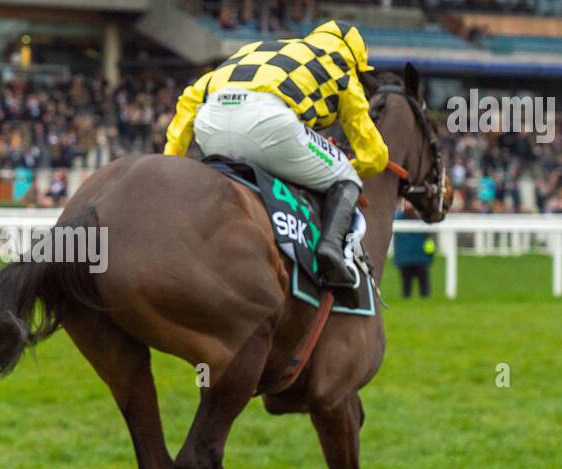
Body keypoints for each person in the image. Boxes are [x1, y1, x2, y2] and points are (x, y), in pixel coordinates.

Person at [163, 20, 390, 286]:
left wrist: (171, 163)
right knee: (347, 176)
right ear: (356, 60)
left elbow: (189, 98)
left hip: (211, 122)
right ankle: (330, 250)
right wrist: (347, 165)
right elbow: (375, 156)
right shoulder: (341, 67)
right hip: (269, 123)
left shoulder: (259, 48)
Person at [393, 202, 435, 298]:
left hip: (420, 258)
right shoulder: (398, 219)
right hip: (406, 259)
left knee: (424, 287)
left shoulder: (422, 218)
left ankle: (425, 302)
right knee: (406, 287)